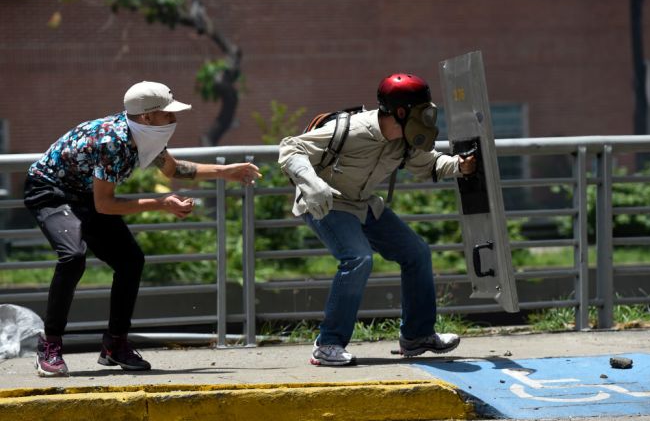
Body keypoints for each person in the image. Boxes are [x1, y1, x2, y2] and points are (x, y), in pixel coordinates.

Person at [24, 81, 262, 377]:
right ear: (147, 117)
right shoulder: (113, 141)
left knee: (130, 261)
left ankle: (115, 344)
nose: (174, 120)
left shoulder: (144, 134)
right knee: (73, 256)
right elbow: (105, 205)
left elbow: (173, 170)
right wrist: (162, 202)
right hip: (50, 190)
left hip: (86, 195)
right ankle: (50, 344)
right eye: (168, 114)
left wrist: (225, 172)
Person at [278, 73, 476, 366]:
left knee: (416, 253)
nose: (427, 116)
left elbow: (430, 163)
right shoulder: (350, 129)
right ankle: (328, 345)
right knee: (358, 258)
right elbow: (290, 147)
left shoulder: (405, 141)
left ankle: (416, 336)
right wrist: (313, 183)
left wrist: (461, 165)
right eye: (422, 109)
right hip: (326, 202)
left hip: (363, 203)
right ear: (400, 111)